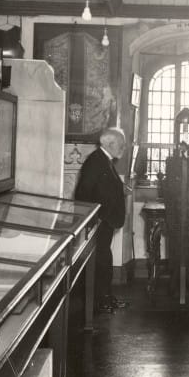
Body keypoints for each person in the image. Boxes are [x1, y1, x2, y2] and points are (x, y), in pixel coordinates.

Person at [74, 127, 127, 314]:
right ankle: (102, 300)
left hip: (105, 219)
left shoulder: (104, 160)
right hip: (99, 220)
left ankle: (106, 297)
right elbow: (83, 194)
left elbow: (105, 188)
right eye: (121, 144)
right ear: (109, 144)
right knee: (101, 261)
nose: (123, 148)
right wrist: (93, 218)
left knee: (104, 259)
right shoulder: (96, 161)